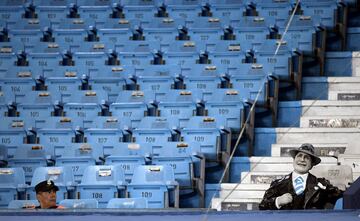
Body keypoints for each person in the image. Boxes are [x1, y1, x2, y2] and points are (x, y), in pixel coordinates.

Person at [259, 143, 344, 210]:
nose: (302, 159)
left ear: (312, 165)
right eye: (299, 156)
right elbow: (262, 206)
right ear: (294, 159)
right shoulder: (278, 184)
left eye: (307, 157)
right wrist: (278, 201)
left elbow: (344, 196)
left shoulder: (322, 185)